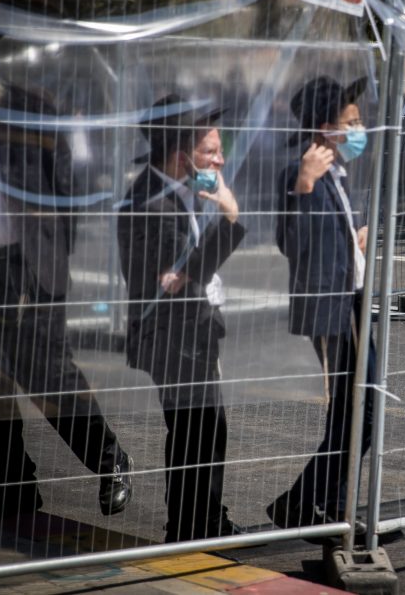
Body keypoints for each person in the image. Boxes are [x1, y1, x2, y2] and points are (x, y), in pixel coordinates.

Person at [0, 10, 132, 522]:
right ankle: (17, 487)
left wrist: (53, 255)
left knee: (53, 381)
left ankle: (110, 461)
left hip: (34, 271)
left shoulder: (30, 109)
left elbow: (68, 187)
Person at [117, 94, 245, 542]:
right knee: (196, 429)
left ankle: (201, 520)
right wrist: (229, 215)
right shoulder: (149, 205)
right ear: (180, 156)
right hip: (173, 337)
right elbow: (186, 274)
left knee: (206, 427)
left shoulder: (177, 192)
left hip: (193, 331)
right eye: (210, 152)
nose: (221, 159)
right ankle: (192, 527)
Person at [268, 76, 376, 536]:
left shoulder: (338, 175)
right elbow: (290, 242)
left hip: (351, 300)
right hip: (330, 310)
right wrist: (304, 185)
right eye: (349, 122)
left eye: (358, 120)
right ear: (323, 128)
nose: (359, 129)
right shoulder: (300, 173)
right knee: (359, 412)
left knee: (357, 411)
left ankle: (324, 508)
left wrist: (354, 245)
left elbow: (326, 241)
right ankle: (312, 506)